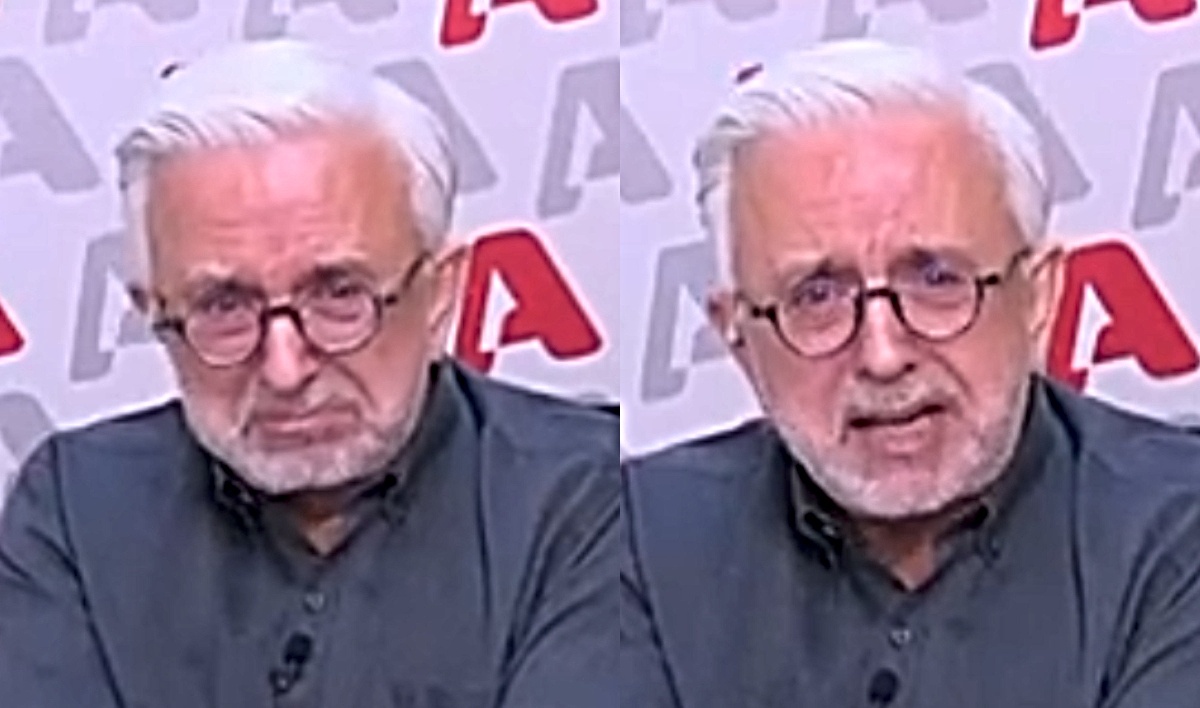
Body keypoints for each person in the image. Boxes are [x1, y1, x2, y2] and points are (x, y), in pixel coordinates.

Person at [0, 40, 617, 708]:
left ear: (441, 294)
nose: (285, 370)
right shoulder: (77, 506)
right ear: (153, 310)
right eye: (224, 307)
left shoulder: (594, 494)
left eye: (339, 294)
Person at [621, 39, 1200, 707]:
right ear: (738, 336)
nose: (883, 355)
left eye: (936, 279)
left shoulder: (1177, 527)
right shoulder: (628, 543)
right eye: (816, 295)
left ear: (1039, 296)